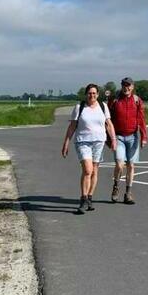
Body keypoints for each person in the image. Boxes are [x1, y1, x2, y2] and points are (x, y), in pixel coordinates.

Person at [61, 84, 117, 214]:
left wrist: (113, 140)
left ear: (98, 94)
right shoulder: (79, 107)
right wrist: (66, 143)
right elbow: (72, 126)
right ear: (86, 94)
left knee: (95, 171)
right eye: (89, 93)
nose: (92, 95)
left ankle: (90, 197)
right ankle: (83, 198)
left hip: (99, 142)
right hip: (83, 142)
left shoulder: (103, 107)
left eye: (94, 93)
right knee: (87, 170)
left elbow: (109, 124)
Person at [107, 77, 148, 204]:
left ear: (133, 87)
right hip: (118, 136)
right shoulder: (114, 100)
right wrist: (108, 138)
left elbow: (141, 120)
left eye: (129, 85)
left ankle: (128, 193)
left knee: (131, 165)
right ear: (121, 86)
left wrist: (144, 137)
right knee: (120, 164)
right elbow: (107, 121)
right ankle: (116, 187)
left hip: (133, 137)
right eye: (124, 85)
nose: (127, 88)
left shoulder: (137, 101)